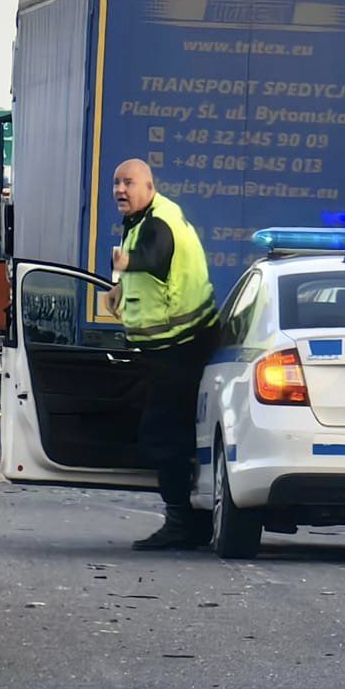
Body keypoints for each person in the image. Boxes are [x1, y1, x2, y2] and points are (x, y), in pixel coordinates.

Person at [111, 159, 220, 550]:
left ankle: (182, 524)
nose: (121, 190)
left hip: (180, 348)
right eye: (117, 183)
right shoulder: (148, 217)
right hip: (178, 347)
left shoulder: (157, 224)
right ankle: (193, 519)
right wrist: (120, 285)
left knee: (165, 438)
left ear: (149, 186)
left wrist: (128, 262)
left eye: (129, 183)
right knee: (177, 435)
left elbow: (156, 256)